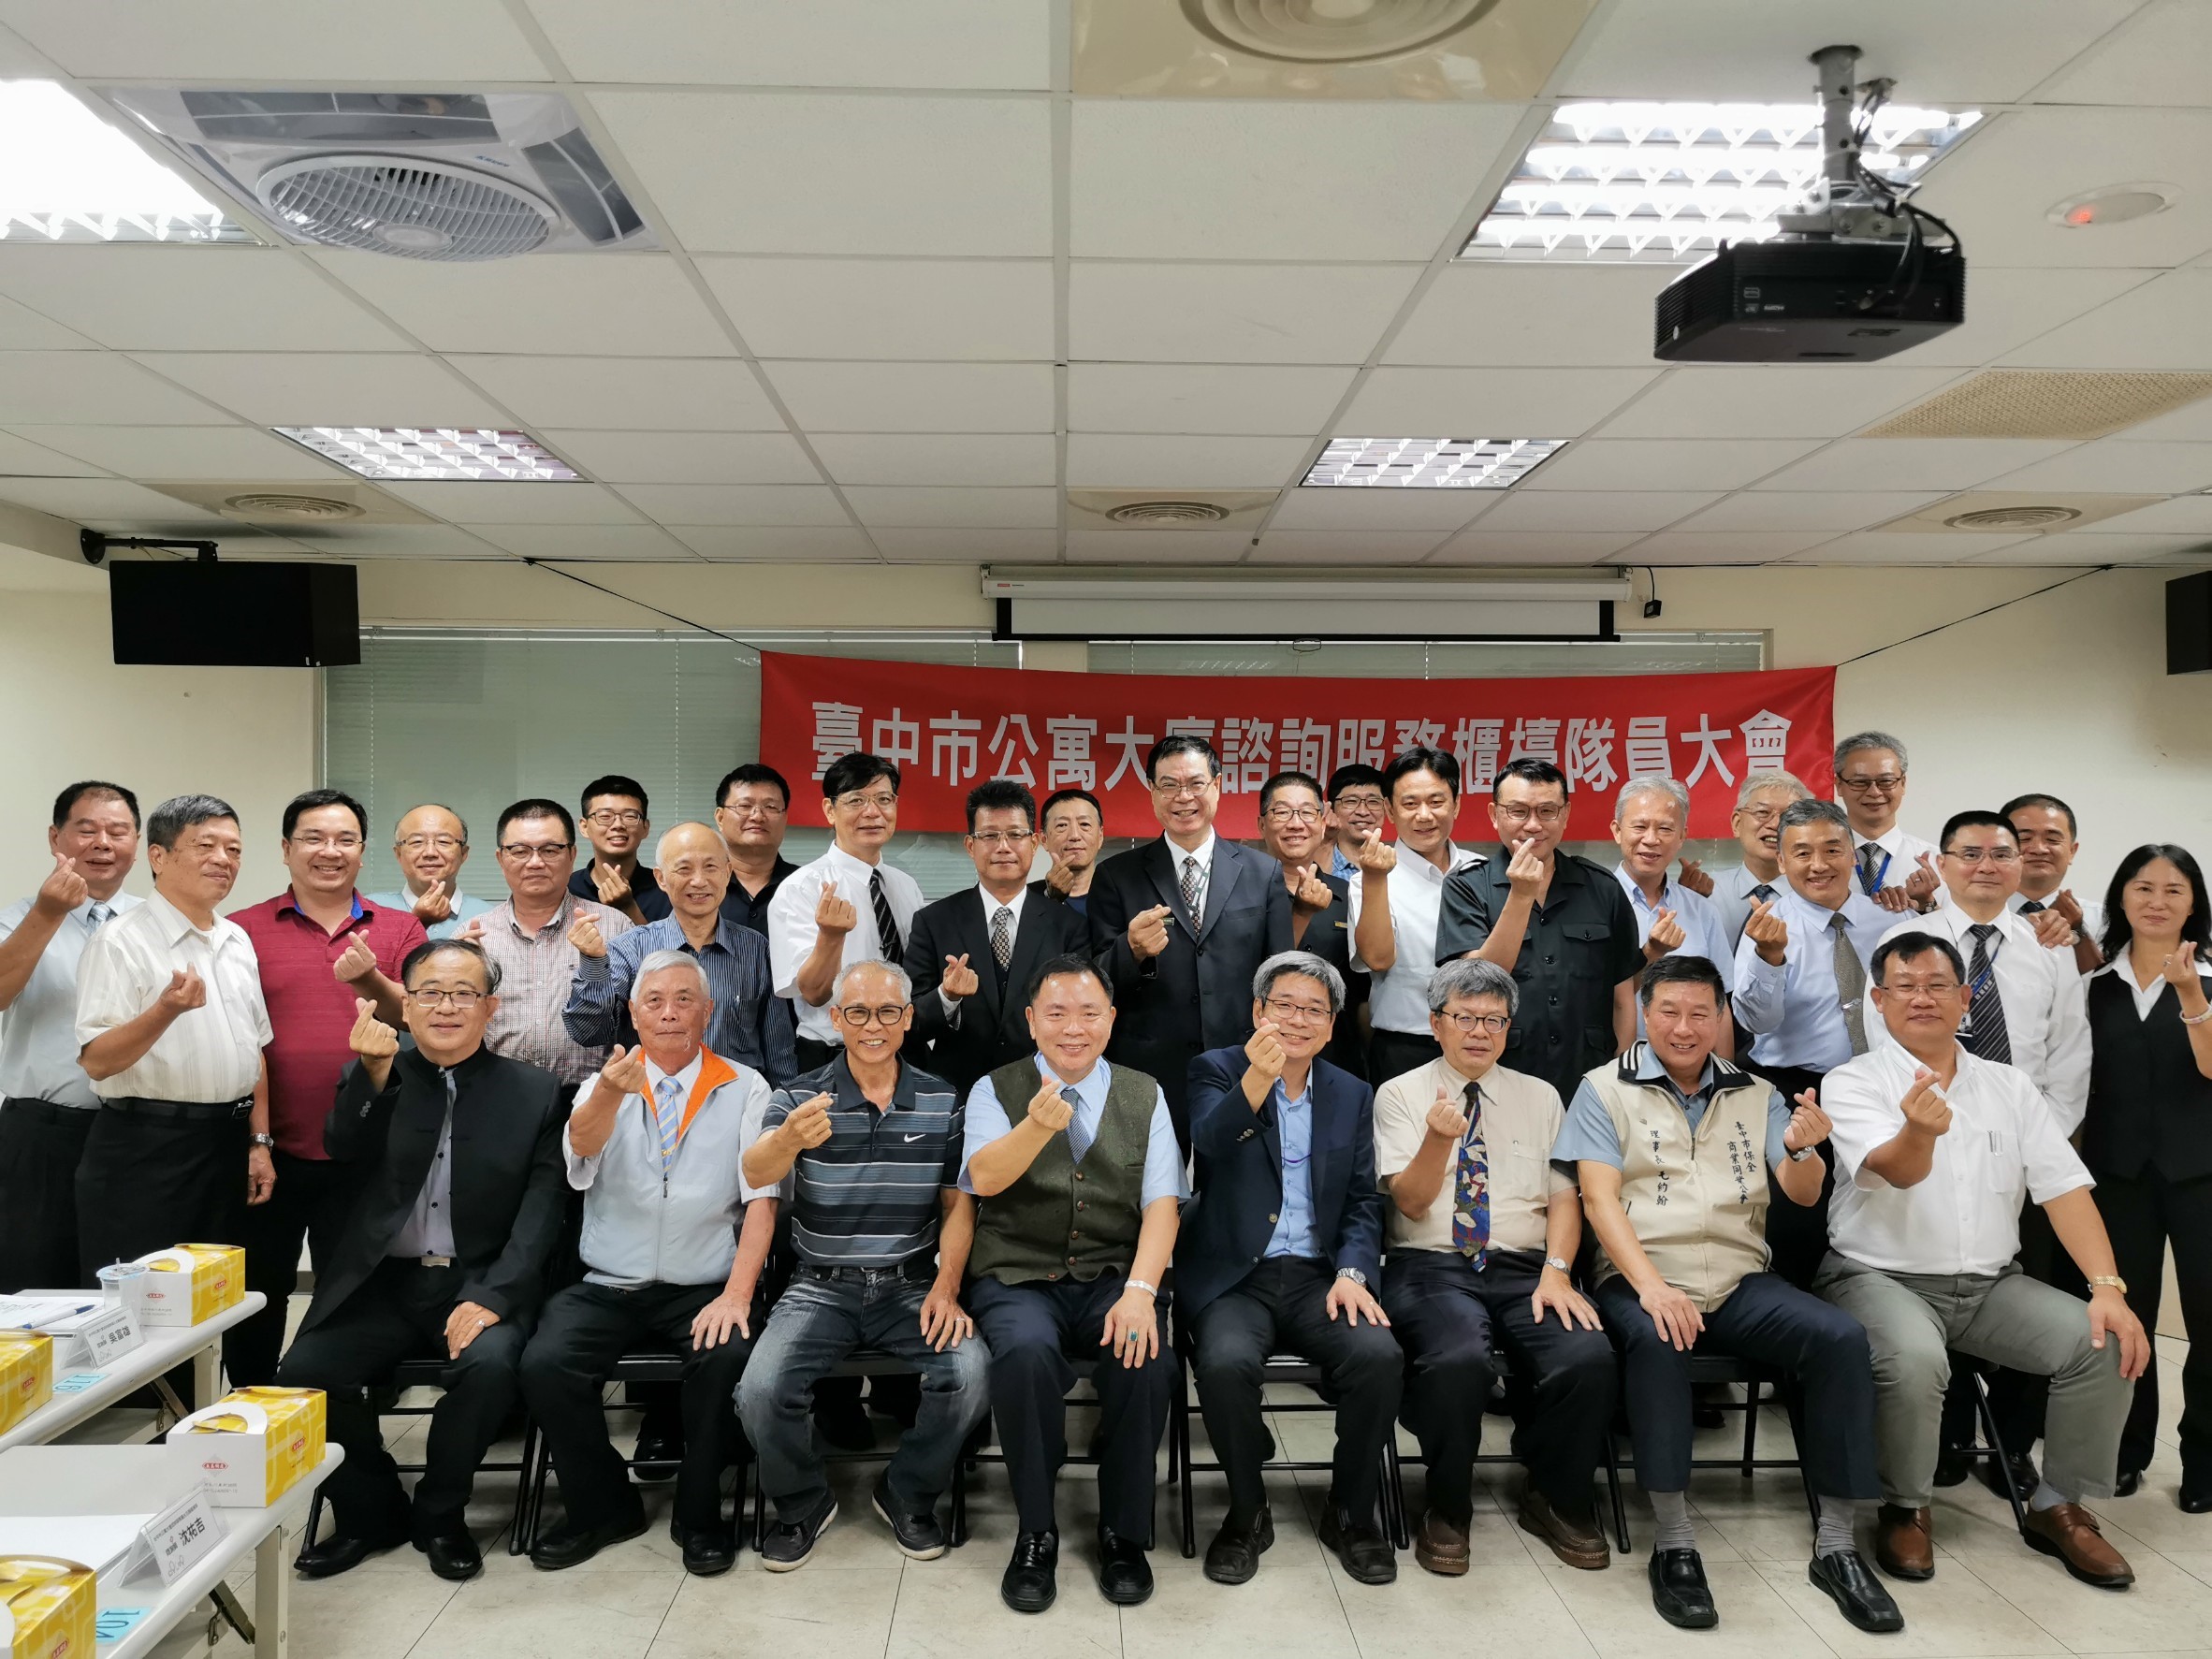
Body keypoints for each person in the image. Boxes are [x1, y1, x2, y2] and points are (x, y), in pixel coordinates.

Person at [1558, 954, 1898, 1636]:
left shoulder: (1757, 1092)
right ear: (1645, 1015)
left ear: (1721, 1019)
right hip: (1642, 1275)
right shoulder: (1602, 1088)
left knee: (1839, 1338)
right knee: (1659, 1338)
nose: (1684, 1028)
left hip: (1741, 1279)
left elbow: (1802, 1193)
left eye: (1700, 1014)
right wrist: (1652, 1287)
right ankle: (1675, 1543)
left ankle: (1837, 1545)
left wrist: (1803, 1151)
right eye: (1669, 1012)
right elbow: (1598, 1199)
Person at [1816, 931, 2147, 1589]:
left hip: (1991, 1286)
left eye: (1937, 985)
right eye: (1905, 986)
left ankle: (2058, 1506)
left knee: (2104, 1339)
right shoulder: (1852, 1080)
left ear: (1965, 998)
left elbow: (2064, 1191)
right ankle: (1906, 1507)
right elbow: (1894, 1171)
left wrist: (2107, 1287)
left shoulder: (2010, 1086)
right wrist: (1919, 1131)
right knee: (1915, 1357)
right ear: (1878, 1000)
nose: (1922, 998)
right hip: (1877, 1278)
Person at [278, 939, 566, 1582]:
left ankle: (440, 1514)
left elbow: (541, 1213)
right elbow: (341, 1146)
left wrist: (494, 1296)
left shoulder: (536, 1092)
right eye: (430, 992)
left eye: (464, 993)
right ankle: (371, 1512)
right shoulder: (376, 1068)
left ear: (491, 1007)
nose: (446, 1006)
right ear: (404, 1005)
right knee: (303, 1373)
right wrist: (371, 1074)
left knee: (490, 1366)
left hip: (476, 1281)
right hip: (381, 1283)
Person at [518, 951, 773, 1577]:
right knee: (544, 1362)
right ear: (632, 1014)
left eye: (684, 1000)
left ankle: (699, 1514)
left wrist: (737, 1295)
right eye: (654, 1001)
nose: (669, 1013)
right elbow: (580, 1148)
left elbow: (762, 1199)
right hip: (610, 1281)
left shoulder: (745, 1085)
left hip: (704, 1284)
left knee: (728, 1357)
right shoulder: (601, 1083)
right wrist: (610, 1090)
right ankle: (603, 1506)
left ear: (707, 1011)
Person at [737, 960, 991, 1568]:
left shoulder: (941, 1099)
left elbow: (958, 1206)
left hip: (911, 1284)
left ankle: (906, 1492)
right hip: (819, 1286)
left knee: (971, 1373)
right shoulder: (798, 1097)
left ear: (907, 1019)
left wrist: (947, 1287)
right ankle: (802, 1502)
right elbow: (756, 1171)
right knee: (760, 1391)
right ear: (836, 1019)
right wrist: (788, 1139)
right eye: (857, 1012)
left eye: (886, 1012)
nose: (872, 1025)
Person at [1375, 957, 1616, 1577]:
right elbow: (1410, 1202)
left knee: (1586, 1354)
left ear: (1509, 1027)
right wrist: (1438, 1139)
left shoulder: (1542, 1096)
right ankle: (1447, 1505)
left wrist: (1557, 1270)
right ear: (1436, 1023)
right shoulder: (1399, 1094)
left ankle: (1553, 1493)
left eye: (1494, 1020)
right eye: (1465, 1017)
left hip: (1526, 1267)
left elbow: (1565, 1198)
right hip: (1429, 1264)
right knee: (1458, 1359)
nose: (1479, 1031)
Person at [960, 955, 1187, 1614]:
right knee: (1025, 1355)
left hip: (1113, 1275)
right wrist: (1037, 1125)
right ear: (1031, 1020)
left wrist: (1141, 1291)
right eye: (1056, 1013)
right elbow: (984, 1179)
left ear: (1111, 1020)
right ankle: (1036, 1531)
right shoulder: (993, 1089)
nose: (1073, 1029)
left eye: (1089, 1013)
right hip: (1018, 1275)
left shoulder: (1145, 1093)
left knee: (1146, 1357)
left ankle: (1124, 1532)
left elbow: (1162, 1204)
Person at [1874, 811, 2091, 1494]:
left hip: (2023, 1152)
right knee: (1942, 1285)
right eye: (1970, 853)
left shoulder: (2048, 945)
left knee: (2019, 1287)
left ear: (2019, 864)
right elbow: (1884, 1048)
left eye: (2001, 853)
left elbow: (2069, 1054)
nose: (1987, 866)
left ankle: (2012, 1445)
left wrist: (2034, 1142)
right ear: (1941, 863)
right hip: (1927, 1147)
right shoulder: (1906, 943)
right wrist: (1930, 1132)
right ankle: (1943, 1439)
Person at [1181, 952, 1400, 1587]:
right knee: (1223, 1363)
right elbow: (1210, 1143)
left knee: (1379, 1356)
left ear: (1331, 1026)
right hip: (1235, 1276)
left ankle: (1351, 1510)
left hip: (1319, 1275)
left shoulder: (1351, 1092)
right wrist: (1258, 1077)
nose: (1298, 1020)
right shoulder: (1215, 1068)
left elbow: (1362, 1199)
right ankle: (1247, 1512)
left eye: (1314, 1011)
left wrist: (1353, 1272)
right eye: (1284, 1005)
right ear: (1258, 1011)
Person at [226, 789, 426, 1386]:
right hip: (272, 1151)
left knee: (352, 1300)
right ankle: (255, 1407)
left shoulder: (400, 927)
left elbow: (418, 1017)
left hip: (368, 1151)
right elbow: (239, 1042)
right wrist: (256, 1140)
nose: (329, 851)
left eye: (345, 839)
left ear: (363, 851)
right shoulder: (241, 931)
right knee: (257, 1296)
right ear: (286, 849)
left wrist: (370, 978)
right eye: (313, 838)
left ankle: (342, 1416)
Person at [73, 795, 273, 1310]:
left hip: (226, 1142)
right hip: (146, 1147)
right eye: (205, 846)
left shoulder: (236, 939)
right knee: (145, 1308)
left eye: (234, 849)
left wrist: (259, 1142)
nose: (223, 860)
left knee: (216, 1303)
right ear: (158, 856)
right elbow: (97, 1060)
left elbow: (255, 1050)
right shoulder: (121, 941)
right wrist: (164, 1010)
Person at [2083, 844, 2212, 1505]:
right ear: (2121, 898)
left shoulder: (2210, 978)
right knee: (2126, 1318)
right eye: (2143, 887)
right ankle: (2128, 1450)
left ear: (2194, 905)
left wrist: (2191, 994)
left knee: (2208, 1318)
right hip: (2117, 1173)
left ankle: (2205, 1461)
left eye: (2173, 889)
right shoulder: (2092, 982)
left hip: (2202, 1173)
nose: (2157, 901)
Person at [1087, 735, 1292, 1142]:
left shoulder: (1262, 872)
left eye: (1196, 783)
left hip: (1240, 1062)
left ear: (1217, 786)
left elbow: (1281, 974)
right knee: (1154, 1176)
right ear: (1152, 791)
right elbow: (1094, 981)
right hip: (1148, 1067)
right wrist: (1131, 951)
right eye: (1169, 785)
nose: (1184, 797)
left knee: (1233, 1171)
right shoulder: (1116, 876)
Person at [1730, 798, 1892, 1287]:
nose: (1818, 864)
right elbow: (1756, 1021)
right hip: (1796, 1091)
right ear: (1782, 862)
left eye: (1832, 849)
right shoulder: (1767, 926)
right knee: (1799, 1221)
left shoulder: (1891, 921)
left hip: (1876, 1087)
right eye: (1802, 853)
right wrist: (1770, 956)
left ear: (1853, 855)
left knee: (1876, 1211)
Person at [1433, 758, 1642, 1106]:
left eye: (1547, 811)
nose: (1533, 825)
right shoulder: (1466, 887)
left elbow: (1623, 997)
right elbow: (1477, 984)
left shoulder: (1603, 887)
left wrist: (1620, 1074)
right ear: (1494, 814)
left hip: (1589, 1077)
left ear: (1566, 814)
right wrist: (1520, 895)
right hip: (1499, 1074)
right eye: (1518, 811)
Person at [0, 782, 141, 1293]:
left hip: (134, 1129)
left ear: (138, 843)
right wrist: (48, 913)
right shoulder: (18, 917)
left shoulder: (154, 922)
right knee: (34, 1280)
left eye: (118, 831)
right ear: (55, 838)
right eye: (87, 830)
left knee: (126, 1283)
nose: (103, 843)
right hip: (43, 1133)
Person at [562, 822, 796, 1086]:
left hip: (737, 1099)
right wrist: (593, 963)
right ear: (661, 879)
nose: (699, 880)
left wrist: (784, 1104)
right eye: (684, 868)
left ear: (727, 873)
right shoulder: (630, 949)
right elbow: (589, 1033)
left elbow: (779, 1051)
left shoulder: (755, 949)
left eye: (710, 867)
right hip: (650, 1101)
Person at [904, 780, 1089, 1098]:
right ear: (970, 846)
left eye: (1015, 835)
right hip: (956, 1094)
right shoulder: (933, 921)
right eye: (989, 836)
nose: (1003, 847)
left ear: (1034, 843)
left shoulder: (1068, 926)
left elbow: (1079, 1014)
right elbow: (907, 1022)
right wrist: (947, 996)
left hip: (1044, 1091)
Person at [767, 752, 925, 1074]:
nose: (873, 812)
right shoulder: (801, 888)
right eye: (856, 800)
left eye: (884, 799)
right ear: (830, 810)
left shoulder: (906, 886)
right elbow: (813, 993)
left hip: (904, 1051)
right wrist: (831, 936)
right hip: (832, 1056)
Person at [462, 799, 632, 1090]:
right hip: (496, 1095)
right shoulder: (474, 935)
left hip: (590, 1096)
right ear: (501, 859)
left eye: (550, 850)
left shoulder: (615, 927)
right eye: (520, 851)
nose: (535, 862)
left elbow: (633, 1020)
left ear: (572, 855)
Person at [1349, 748, 1481, 1084]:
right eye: (1410, 804)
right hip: (1404, 1048)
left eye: (1436, 802)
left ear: (1456, 804)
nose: (1424, 815)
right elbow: (1377, 958)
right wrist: (1375, 879)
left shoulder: (1483, 872)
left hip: (1481, 1042)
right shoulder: (1369, 879)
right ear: (1390, 810)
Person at [1610, 776, 1736, 1053]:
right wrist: (1651, 953)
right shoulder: (1592, 902)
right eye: (1640, 826)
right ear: (1617, 831)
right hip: (1613, 1062)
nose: (1651, 839)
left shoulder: (1701, 909)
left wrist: (1725, 1073)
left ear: (1681, 837)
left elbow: (1719, 1004)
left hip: (1689, 1060)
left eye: (1665, 828)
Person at [1255, 770, 1366, 1079]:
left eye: (1307, 812)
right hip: (1259, 1055)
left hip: (1336, 1060)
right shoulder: (1238, 893)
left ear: (1322, 822)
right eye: (1281, 812)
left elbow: (1363, 991)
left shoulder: (1350, 894)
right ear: (1262, 824)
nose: (1295, 824)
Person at [1832, 733, 1940, 915]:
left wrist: (1926, 905)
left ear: (1903, 783)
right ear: (1839, 785)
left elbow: (1957, 930)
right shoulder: (1817, 864)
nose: (1874, 792)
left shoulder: (1936, 862)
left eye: (1886, 781)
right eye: (1860, 782)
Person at [2005, 793, 2106, 976]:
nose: (2039, 849)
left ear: (2072, 851)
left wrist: (2078, 933)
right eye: (2024, 838)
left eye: (2052, 839)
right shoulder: (1974, 915)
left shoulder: (2104, 921)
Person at [1710, 771, 1812, 947]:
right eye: (1763, 812)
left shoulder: (1817, 895)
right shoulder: (1708, 893)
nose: (1775, 824)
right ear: (1737, 823)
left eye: (1789, 816)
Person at [365, 804, 494, 941]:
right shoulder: (368, 911)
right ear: (398, 854)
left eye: (443, 841)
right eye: (417, 841)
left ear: (463, 853)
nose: (430, 852)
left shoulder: (489, 917)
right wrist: (417, 921)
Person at [570, 774, 669, 926]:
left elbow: (672, 944)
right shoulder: (566, 888)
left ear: (645, 827)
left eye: (630, 816)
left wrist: (628, 907)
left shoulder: (667, 889)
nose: (618, 825)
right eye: (605, 816)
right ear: (584, 827)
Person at [713, 764, 799, 938]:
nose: (758, 816)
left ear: (785, 819)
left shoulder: (806, 885)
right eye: (745, 806)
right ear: (720, 818)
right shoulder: (697, 886)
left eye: (771, 807)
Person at [1038, 787, 1104, 918]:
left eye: (1084, 824)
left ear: (1100, 836)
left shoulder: (1122, 895)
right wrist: (1051, 899)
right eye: (1062, 825)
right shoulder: (1024, 898)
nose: (1074, 835)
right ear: (1044, 839)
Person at [1325, 764, 1389, 883]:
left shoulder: (1400, 869)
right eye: (1351, 801)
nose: (1362, 812)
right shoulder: (1315, 868)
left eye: (1373, 802)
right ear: (1331, 808)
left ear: (1387, 808)